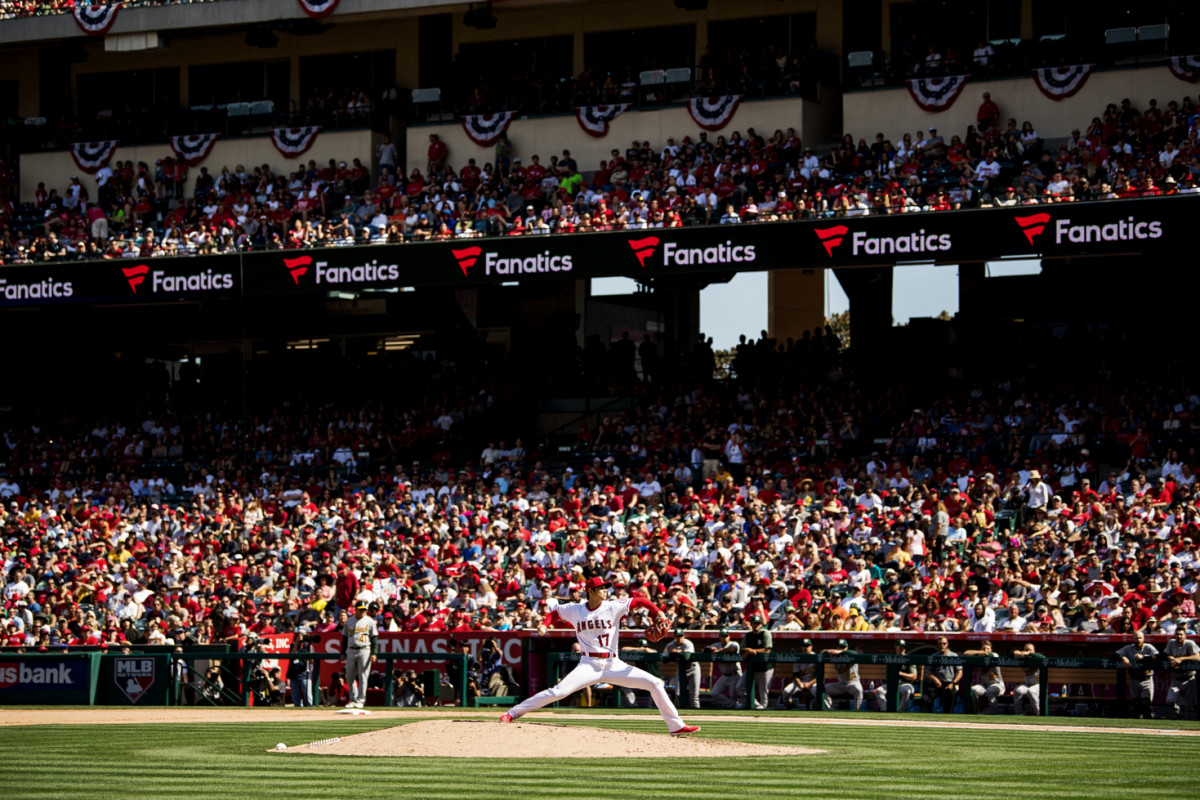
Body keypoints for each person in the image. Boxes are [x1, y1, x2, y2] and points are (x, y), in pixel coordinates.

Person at [500, 577, 699, 736]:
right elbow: (555, 612)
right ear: (591, 591)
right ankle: (512, 712)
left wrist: (659, 613)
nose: (606, 590)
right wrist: (545, 623)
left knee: (655, 683)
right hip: (588, 664)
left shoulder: (613, 606)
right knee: (558, 692)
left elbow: (640, 601)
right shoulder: (576, 609)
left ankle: (675, 726)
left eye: (606, 587)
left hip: (614, 663)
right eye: (602, 588)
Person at [341, 600, 377, 709]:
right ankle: (353, 699)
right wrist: (343, 652)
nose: (362, 612)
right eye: (360, 610)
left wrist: (374, 652)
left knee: (363, 676)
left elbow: (374, 638)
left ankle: (361, 700)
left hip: (364, 649)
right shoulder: (349, 621)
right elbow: (345, 637)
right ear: (355, 610)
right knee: (350, 676)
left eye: (364, 610)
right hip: (351, 650)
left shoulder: (369, 621)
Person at [1118, 630, 1158, 718]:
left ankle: (1148, 723)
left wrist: (1143, 657)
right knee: (1136, 704)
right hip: (1134, 678)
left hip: (1146, 678)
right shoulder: (1129, 648)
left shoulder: (1148, 647)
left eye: (1140, 638)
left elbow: (1157, 656)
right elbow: (1116, 654)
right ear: (1133, 638)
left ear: (1143, 639)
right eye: (1136, 638)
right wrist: (1124, 658)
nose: (1138, 640)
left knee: (1146, 703)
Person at [737, 616, 774, 710]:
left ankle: (763, 715)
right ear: (751, 624)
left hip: (765, 668)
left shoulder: (765, 633)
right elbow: (742, 648)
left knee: (763, 694)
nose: (756, 625)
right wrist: (747, 650)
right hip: (752, 668)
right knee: (739, 687)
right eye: (754, 623)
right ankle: (756, 705)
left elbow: (767, 650)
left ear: (761, 624)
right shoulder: (748, 635)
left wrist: (753, 650)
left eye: (758, 623)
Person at [874, 639, 919, 712]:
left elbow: (914, 676)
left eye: (903, 647)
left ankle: (900, 711)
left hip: (905, 684)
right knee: (879, 691)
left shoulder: (909, 659)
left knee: (907, 691)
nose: (901, 649)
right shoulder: (891, 659)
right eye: (899, 647)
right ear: (896, 647)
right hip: (892, 684)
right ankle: (885, 710)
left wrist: (900, 673)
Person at [1164, 628, 1199, 719]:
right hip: (1176, 679)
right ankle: (1178, 714)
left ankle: (1189, 724)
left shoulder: (1189, 643)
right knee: (1170, 700)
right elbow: (1165, 654)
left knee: (1189, 705)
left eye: (1181, 634)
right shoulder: (1172, 643)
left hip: (1189, 678)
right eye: (1177, 634)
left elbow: (1197, 657)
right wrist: (1171, 658)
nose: (1179, 636)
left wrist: (1181, 659)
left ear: (1185, 635)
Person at [922, 635, 962, 713]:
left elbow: (960, 672)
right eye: (940, 644)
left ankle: (948, 719)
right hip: (936, 683)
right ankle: (927, 718)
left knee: (950, 697)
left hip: (949, 683)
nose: (942, 646)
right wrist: (935, 679)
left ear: (947, 644)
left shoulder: (953, 656)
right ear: (937, 645)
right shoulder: (934, 656)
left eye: (944, 643)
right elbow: (928, 672)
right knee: (925, 699)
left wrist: (953, 683)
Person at [822, 639, 863, 710]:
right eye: (840, 647)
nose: (841, 649)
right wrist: (830, 651)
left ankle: (856, 710)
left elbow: (854, 653)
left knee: (859, 690)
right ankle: (829, 709)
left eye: (843, 647)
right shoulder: (834, 656)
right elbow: (822, 652)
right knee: (823, 688)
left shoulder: (850, 654)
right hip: (841, 684)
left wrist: (841, 651)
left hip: (853, 683)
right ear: (837, 647)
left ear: (846, 647)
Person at [663, 628, 700, 709]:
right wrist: (679, 651)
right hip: (681, 668)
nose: (679, 638)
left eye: (681, 636)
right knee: (678, 694)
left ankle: (696, 714)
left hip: (693, 667)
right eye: (677, 636)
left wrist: (674, 652)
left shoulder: (688, 643)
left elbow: (686, 657)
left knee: (694, 695)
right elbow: (664, 659)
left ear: (684, 636)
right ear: (674, 637)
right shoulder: (670, 645)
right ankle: (682, 713)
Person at [706, 628, 742, 708]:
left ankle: (735, 708)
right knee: (715, 693)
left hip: (735, 674)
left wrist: (719, 651)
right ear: (720, 637)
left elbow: (733, 650)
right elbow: (706, 649)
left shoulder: (733, 644)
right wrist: (711, 649)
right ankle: (734, 705)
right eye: (722, 636)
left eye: (726, 636)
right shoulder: (717, 645)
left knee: (733, 696)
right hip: (724, 675)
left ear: (729, 637)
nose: (724, 638)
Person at [964, 640, 1003, 714]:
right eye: (983, 648)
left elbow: (989, 655)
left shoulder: (995, 654)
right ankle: (974, 712)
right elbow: (966, 653)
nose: (985, 650)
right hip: (985, 684)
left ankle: (994, 712)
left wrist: (984, 653)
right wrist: (980, 653)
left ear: (991, 650)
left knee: (990, 691)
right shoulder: (979, 655)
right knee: (974, 689)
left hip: (997, 684)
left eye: (987, 648)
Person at [781, 638, 818, 709]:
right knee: (786, 691)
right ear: (801, 647)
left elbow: (819, 676)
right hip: (800, 683)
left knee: (818, 692)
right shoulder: (799, 658)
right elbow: (795, 675)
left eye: (807, 646)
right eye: (804, 646)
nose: (806, 648)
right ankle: (789, 707)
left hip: (812, 683)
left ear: (811, 647)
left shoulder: (816, 657)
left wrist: (809, 684)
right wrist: (799, 683)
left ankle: (818, 709)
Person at [1012, 642, 1042, 716]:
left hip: (1039, 685)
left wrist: (1029, 654)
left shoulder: (1037, 657)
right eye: (1026, 650)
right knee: (1017, 690)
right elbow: (1010, 655)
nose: (1028, 652)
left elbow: (1042, 657)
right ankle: (1018, 714)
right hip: (1028, 684)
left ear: (1034, 651)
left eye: (1030, 650)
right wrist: (1015, 652)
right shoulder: (1022, 659)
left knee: (1031, 691)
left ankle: (1040, 713)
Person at [286, 633, 315, 707]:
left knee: (308, 696)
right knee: (296, 697)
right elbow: (291, 656)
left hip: (305, 674)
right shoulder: (293, 645)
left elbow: (312, 661)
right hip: (294, 674)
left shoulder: (308, 646)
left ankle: (310, 712)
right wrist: (296, 642)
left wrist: (309, 647)